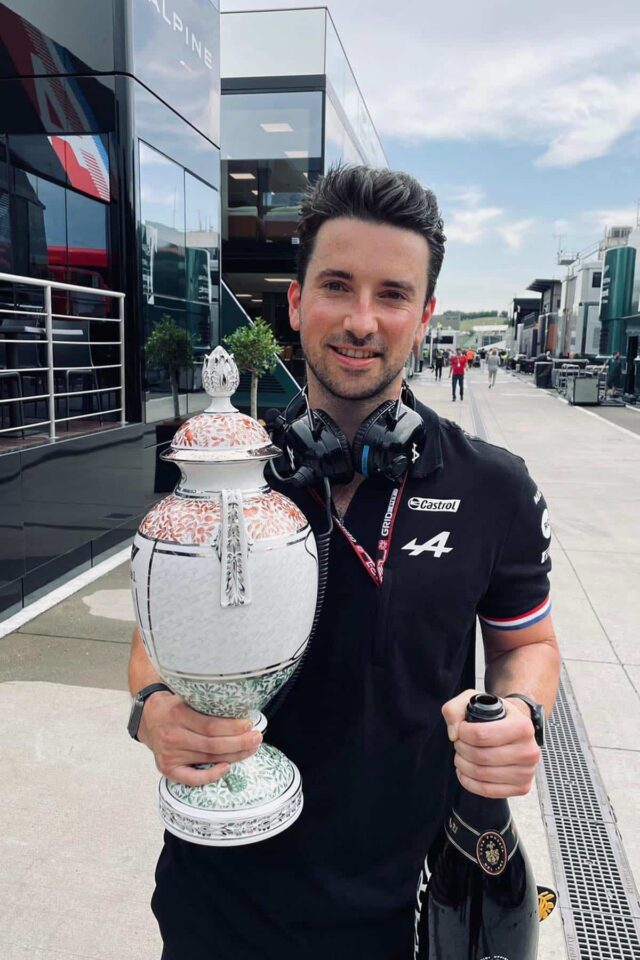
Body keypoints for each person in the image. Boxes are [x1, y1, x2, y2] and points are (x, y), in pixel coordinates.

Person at [128, 165, 560, 960]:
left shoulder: (492, 485)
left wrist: (519, 718)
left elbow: (527, 646)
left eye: (392, 294)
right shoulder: (211, 475)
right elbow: (157, 633)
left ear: (425, 316)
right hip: (217, 905)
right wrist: (152, 708)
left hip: (409, 912)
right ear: (295, 302)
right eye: (336, 285)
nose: (362, 320)